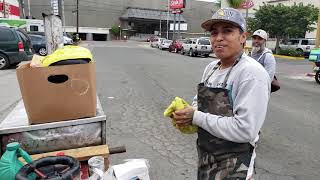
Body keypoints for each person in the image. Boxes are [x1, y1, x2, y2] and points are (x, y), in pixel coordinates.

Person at [173, 8, 270, 180]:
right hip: (206, 158)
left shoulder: (251, 73)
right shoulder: (211, 68)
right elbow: (199, 102)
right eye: (214, 32)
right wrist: (187, 113)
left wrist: (195, 117)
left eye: (227, 31)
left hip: (234, 166)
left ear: (242, 37)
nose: (218, 38)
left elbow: (245, 130)